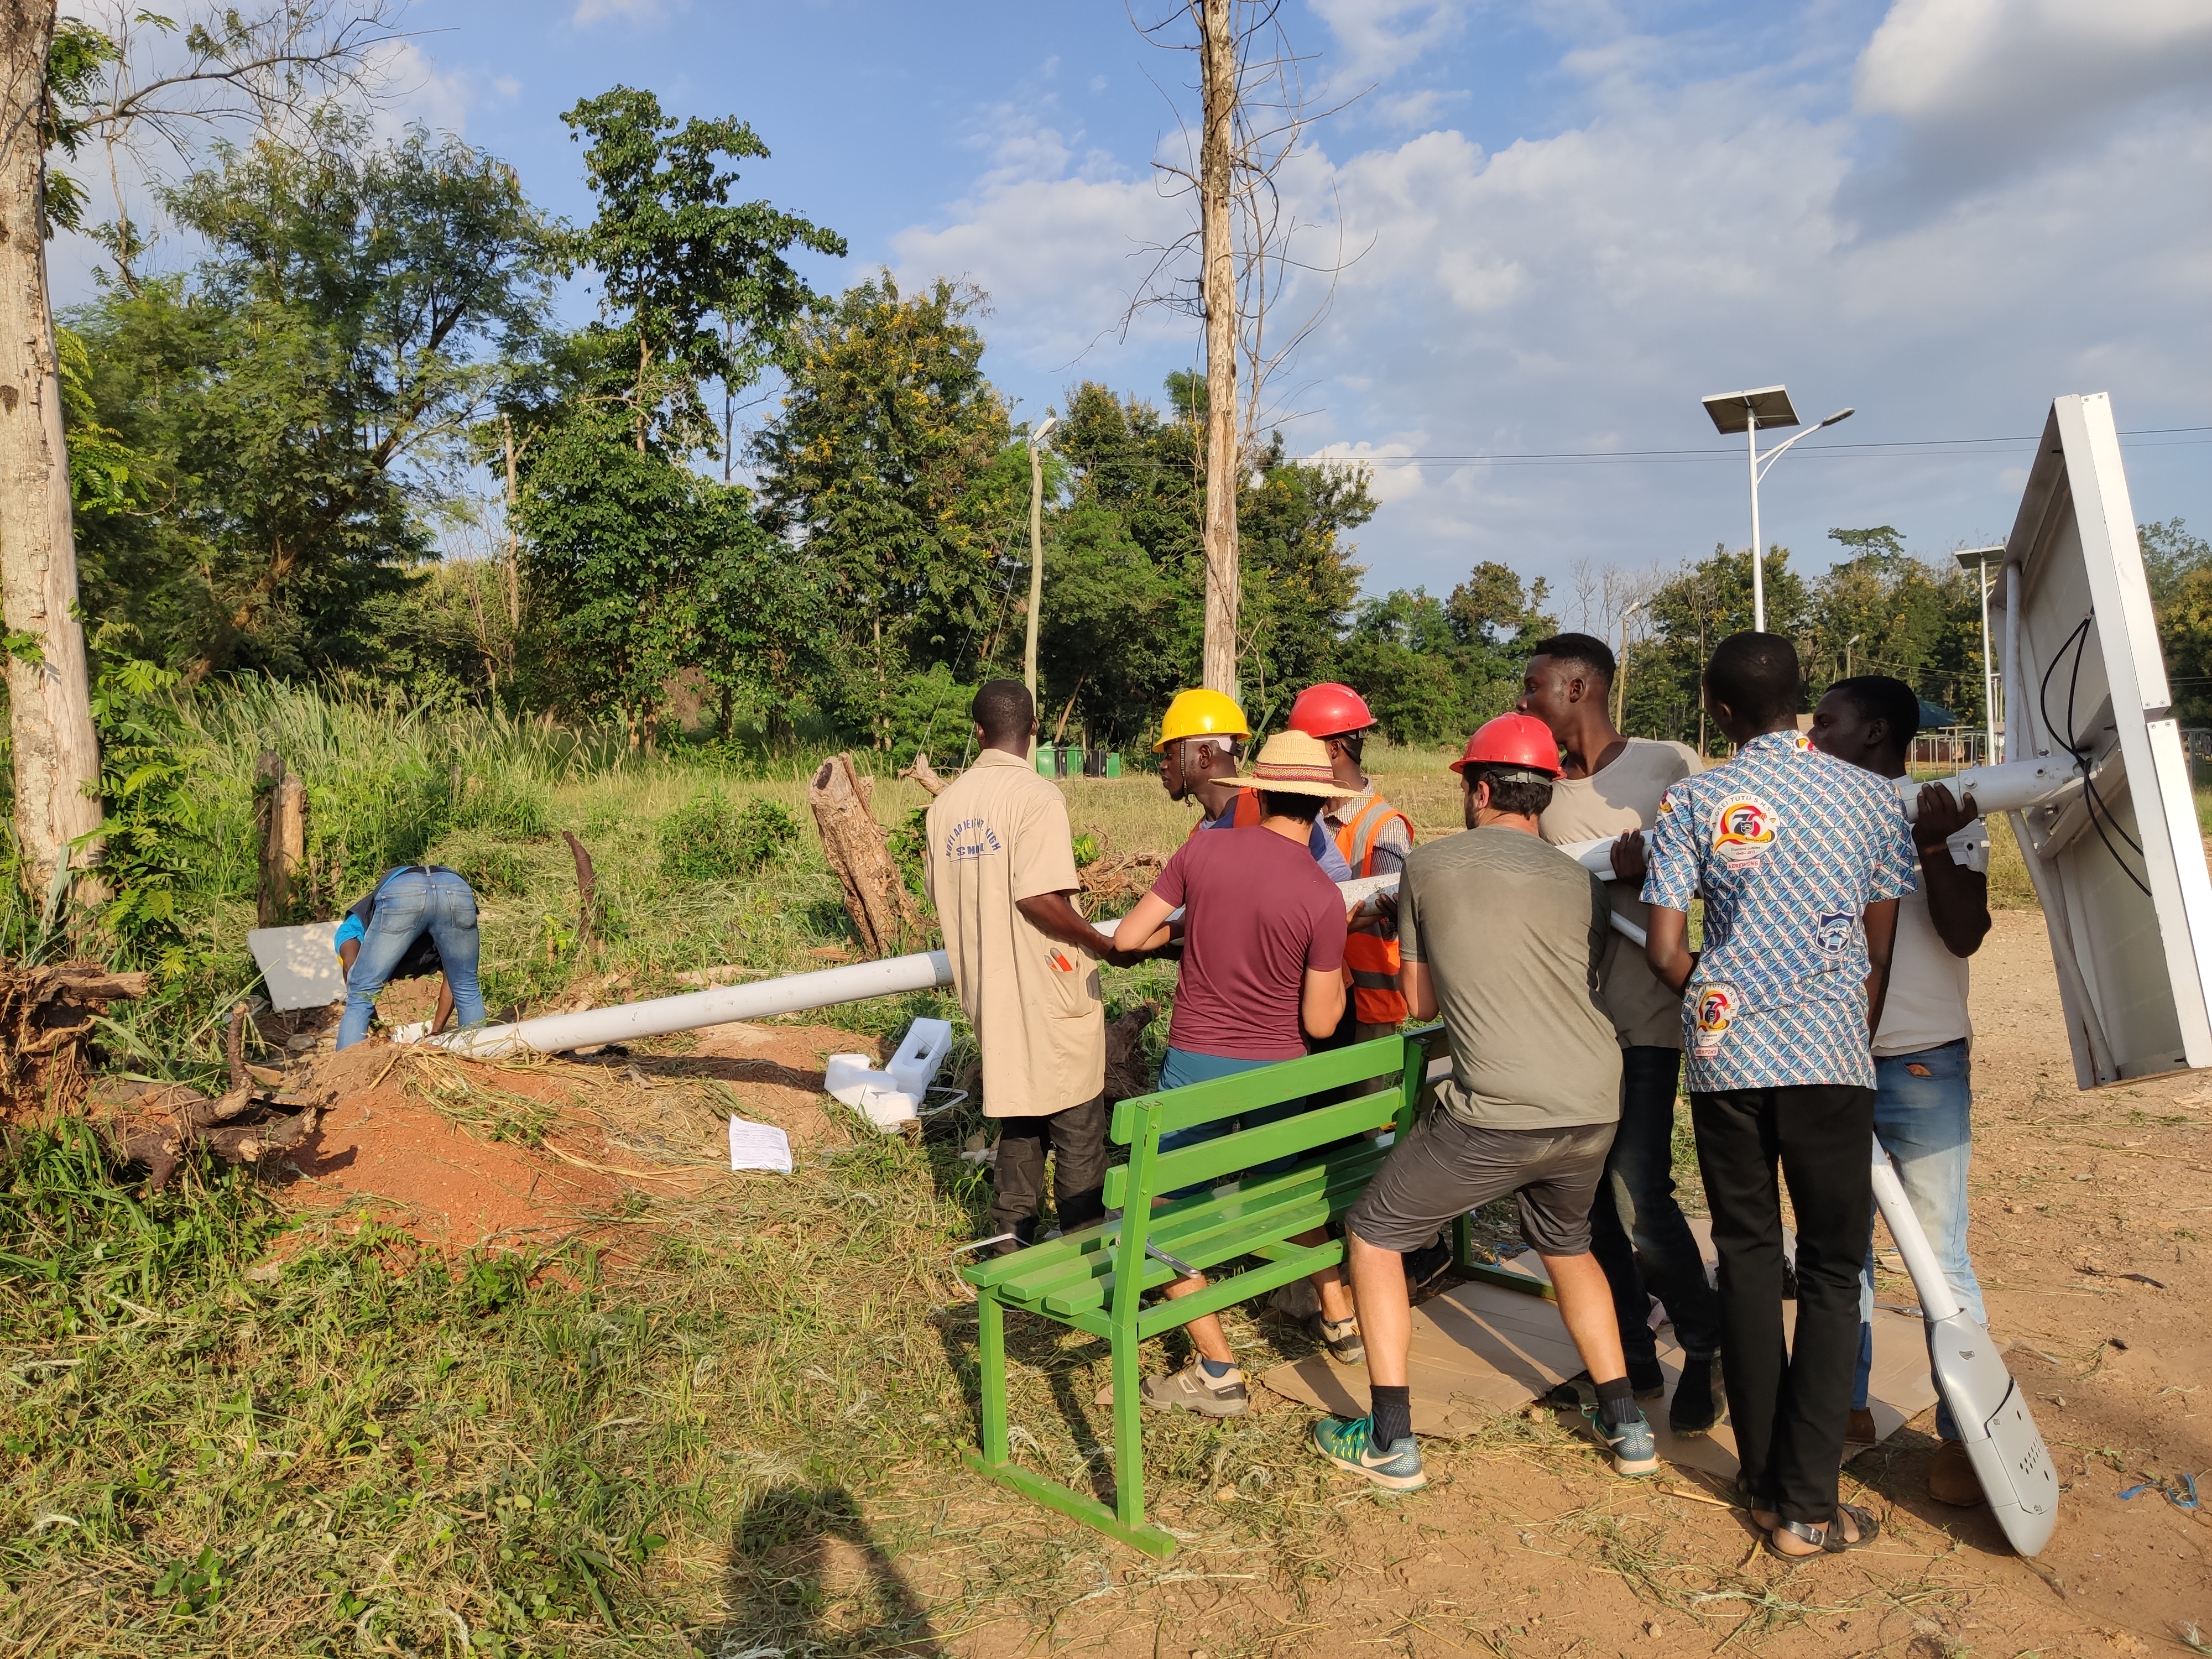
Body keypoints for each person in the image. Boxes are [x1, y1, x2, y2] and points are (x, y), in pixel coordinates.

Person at [1310, 712, 1656, 1493]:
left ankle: (1390, 1440)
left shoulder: (1430, 867)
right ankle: (1627, 1424)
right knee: (1569, 1246)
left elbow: (1422, 1002)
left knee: (1375, 1235)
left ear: (1485, 789)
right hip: (1596, 1101)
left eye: (1468, 784)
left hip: (1497, 1107)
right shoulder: (1578, 878)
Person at [1642, 633, 1917, 1559]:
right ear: (1801, 699)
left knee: (1750, 1261)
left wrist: (1726, 1000)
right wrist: (1842, 1026)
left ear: (1719, 712)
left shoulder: (1695, 799)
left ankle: (1763, 1488)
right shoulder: (1873, 798)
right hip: (1833, 1057)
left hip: (1726, 1058)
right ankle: (1808, 1505)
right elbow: (1879, 950)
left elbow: (1665, 949)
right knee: (1836, 1273)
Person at [1519, 633, 1726, 1437]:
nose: (1525, 700)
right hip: (1571, 1025)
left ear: (1578, 687)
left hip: (1645, 1018)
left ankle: (1704, 1338)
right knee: (1584, 1201)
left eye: (1535, 685)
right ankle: (1635, 1354)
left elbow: (1724, 862)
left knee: (1641, 1194)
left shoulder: (1669, 764)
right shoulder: (1537, 791)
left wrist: (1660, 870)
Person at [1112, 729, 1356, 1412]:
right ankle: (1337, 1312)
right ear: (1320, 807)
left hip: (1195, 1065)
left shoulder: (1204, 848)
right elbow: (1318, 1024)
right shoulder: (1321, 895)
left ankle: (1218, 1371)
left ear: (1258, 790)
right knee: (1280, 1187)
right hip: (1278, 1071)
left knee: (1155, 1208)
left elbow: (1130, 937)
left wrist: (1189, 932)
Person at [1809, 675, 1992, 1506]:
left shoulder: (1949, 810)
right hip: (1829, 1055)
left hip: (1919, 1059)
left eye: (1829, 724)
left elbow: (1965, 934)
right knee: (1837, 1247)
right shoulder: (1812, 814)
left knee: (1935, 1255)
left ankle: (1967, 1436)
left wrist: (1930, 846)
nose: (1814, 739)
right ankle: (1844, 1406)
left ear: (1876, 731)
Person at [926, 680, 1133, 1253]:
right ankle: (1085, 1254)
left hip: (987, 988)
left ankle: (1009, 1241)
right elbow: (1037, 898)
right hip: (1046, 987)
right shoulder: (1038, 797)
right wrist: (1102, 942)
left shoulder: (944, 808)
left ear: (978, 732)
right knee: (1077, 1128)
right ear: (1036, 729)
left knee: (1020, 1116)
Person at [1292, 682, 1415, 1041]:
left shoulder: (1385, 826)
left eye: (1303, 750)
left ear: (1333, 749)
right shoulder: (1300, 817)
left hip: (1367, 1007)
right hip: (1313, 999)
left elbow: (1391, 914)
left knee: (1358, 1099)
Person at [1155, 687, 1354, 881]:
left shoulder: (1279, 802)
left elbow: (1339, 882)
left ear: (1204, 755)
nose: (1163, 766)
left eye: (1170, 755)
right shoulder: (1199, 835)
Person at [334, 865, 487, 1050]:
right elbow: (457, 983)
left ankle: (347, 1075)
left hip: (403, 892)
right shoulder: (354, 929)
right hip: (455, 888)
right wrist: (377, 1026)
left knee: (360, 996)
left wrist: (435, 1034)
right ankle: (478, 1055)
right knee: (467, 987)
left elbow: (354, 974)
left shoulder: (362, 922)